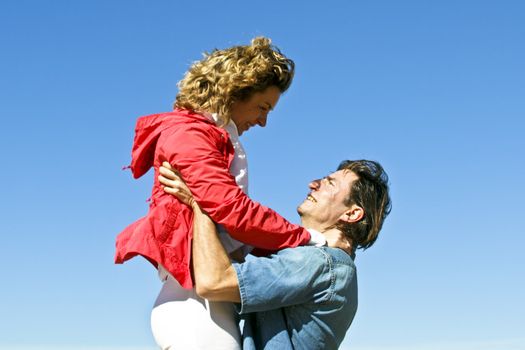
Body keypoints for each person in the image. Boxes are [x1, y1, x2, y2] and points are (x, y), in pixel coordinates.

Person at [114, 37, 347, 350]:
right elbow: (232, 210)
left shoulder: (213, 136)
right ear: (235, 90)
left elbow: (232, 227)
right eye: (263, 107)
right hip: (193, 306)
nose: (264, 121)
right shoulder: (189, 134)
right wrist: (307, 239)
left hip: (206, 305)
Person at [158, 159, 392, 349]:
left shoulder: (321, 263)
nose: (313, 184)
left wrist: (199, 204)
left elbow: (214, 282)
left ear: (352, 214)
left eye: (330, 183)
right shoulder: (332, 268)